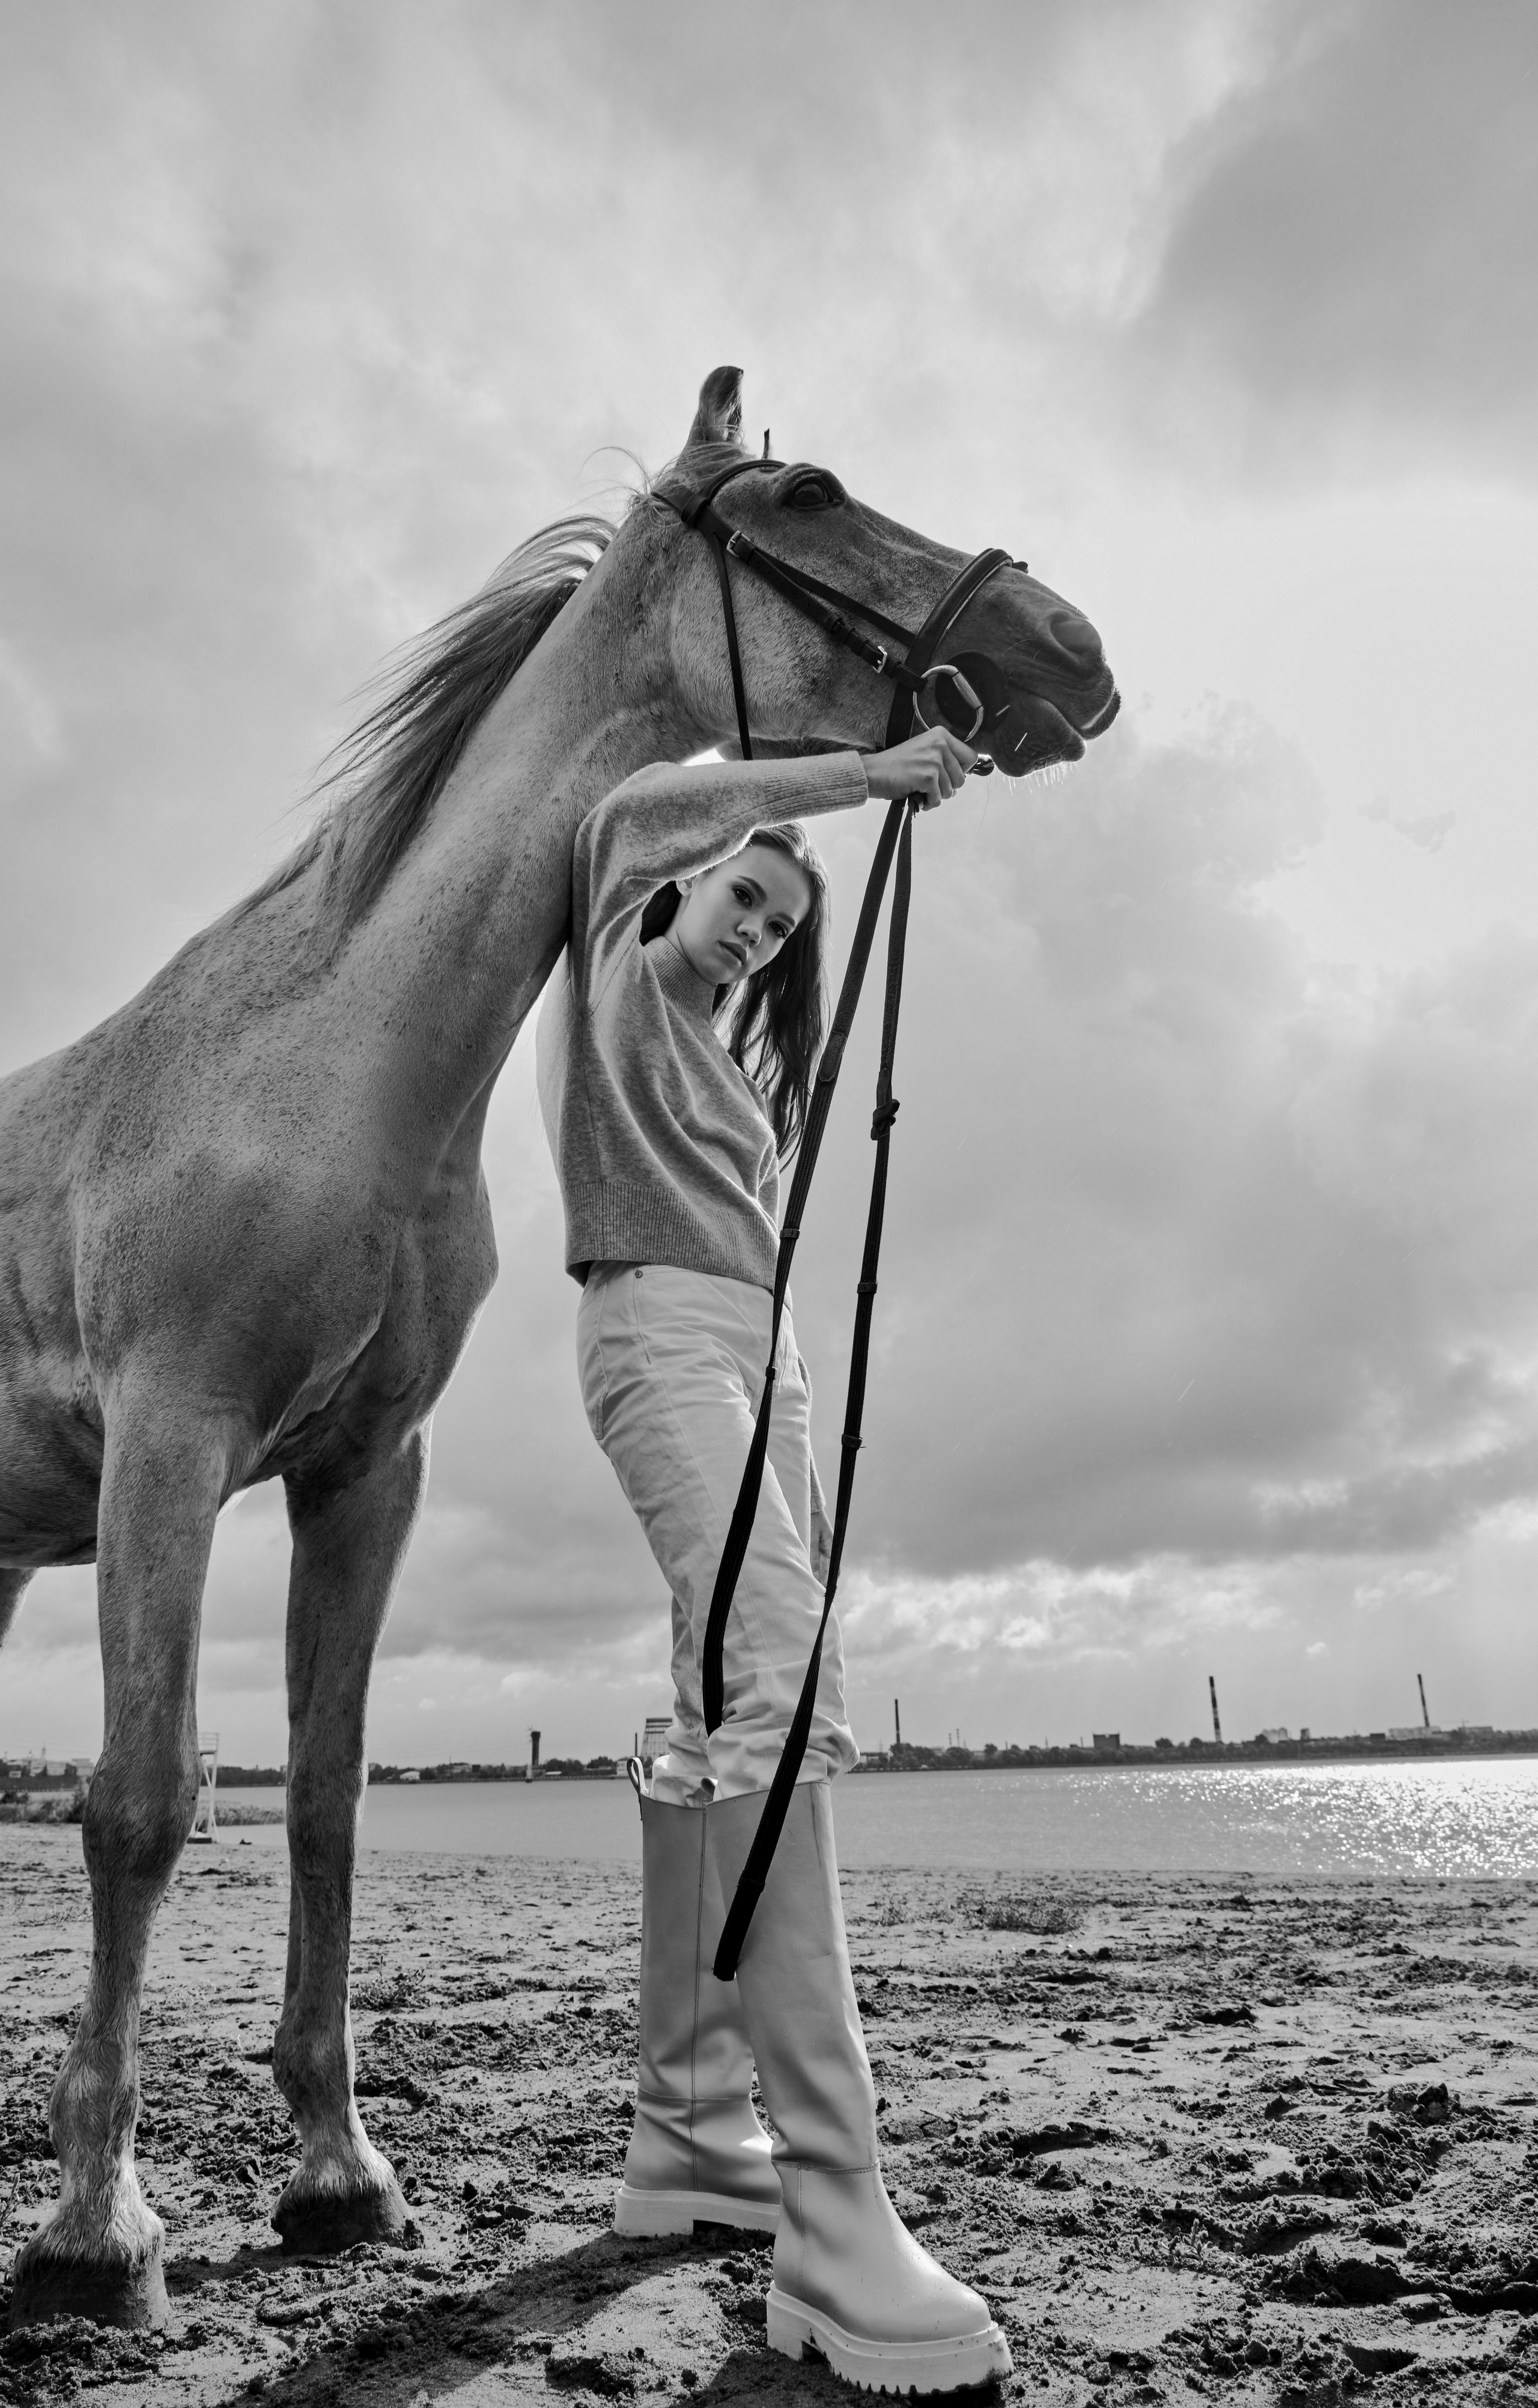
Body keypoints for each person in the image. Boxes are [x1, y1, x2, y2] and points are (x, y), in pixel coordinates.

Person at [535, 729, 1012, 2395]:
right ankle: (832, 2211)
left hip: (763, 1341)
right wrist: (870, 771)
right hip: (663, 1325)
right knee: (778, 1664)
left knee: (719, 1683)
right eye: (745, 895)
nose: (756, 929)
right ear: (689, 880)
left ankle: (690, 2132)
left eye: (777, 923)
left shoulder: (725, 1055)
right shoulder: (619, 964)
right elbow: (634, 809)